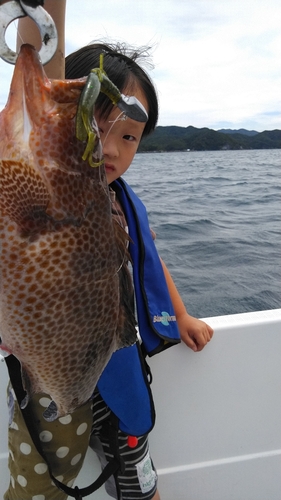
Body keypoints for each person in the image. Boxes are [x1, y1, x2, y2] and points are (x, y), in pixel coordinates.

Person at [5, 1, 214, 499]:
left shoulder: (118, 201)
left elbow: (148, 261)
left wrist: (181, 315)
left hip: (116, 375)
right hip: (56, 372)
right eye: (94, 130)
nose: (113, 150)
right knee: (38, 487)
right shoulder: (48, 187)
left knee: (140, 482)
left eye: (128, 136)